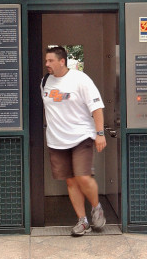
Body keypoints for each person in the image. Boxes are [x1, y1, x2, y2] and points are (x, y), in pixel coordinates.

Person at [41, 46, 107, 236]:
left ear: (62, 61)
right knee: (71, 182)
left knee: (83, 176)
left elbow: (96, 108)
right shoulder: (45, 81)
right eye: (46, 61)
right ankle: (83, 221)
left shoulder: (80, 79)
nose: (47, 64)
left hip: (81, 137)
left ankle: (96, 208)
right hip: (56, 140)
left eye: (50, 61)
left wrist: (100, 133)